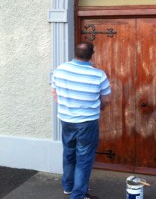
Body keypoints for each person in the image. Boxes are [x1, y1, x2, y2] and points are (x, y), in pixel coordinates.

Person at [51, 41, 111, 199]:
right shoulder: (98, 75)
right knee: (84, 158)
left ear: (75, 53)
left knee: (69, 153)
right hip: (87, 123)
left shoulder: (60, 70)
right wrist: (99, 108)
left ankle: (68, 187)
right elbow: (106, 100)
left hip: (66, 120)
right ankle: (78, 195)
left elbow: (54, 93)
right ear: (92, 54)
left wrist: (67, 106)